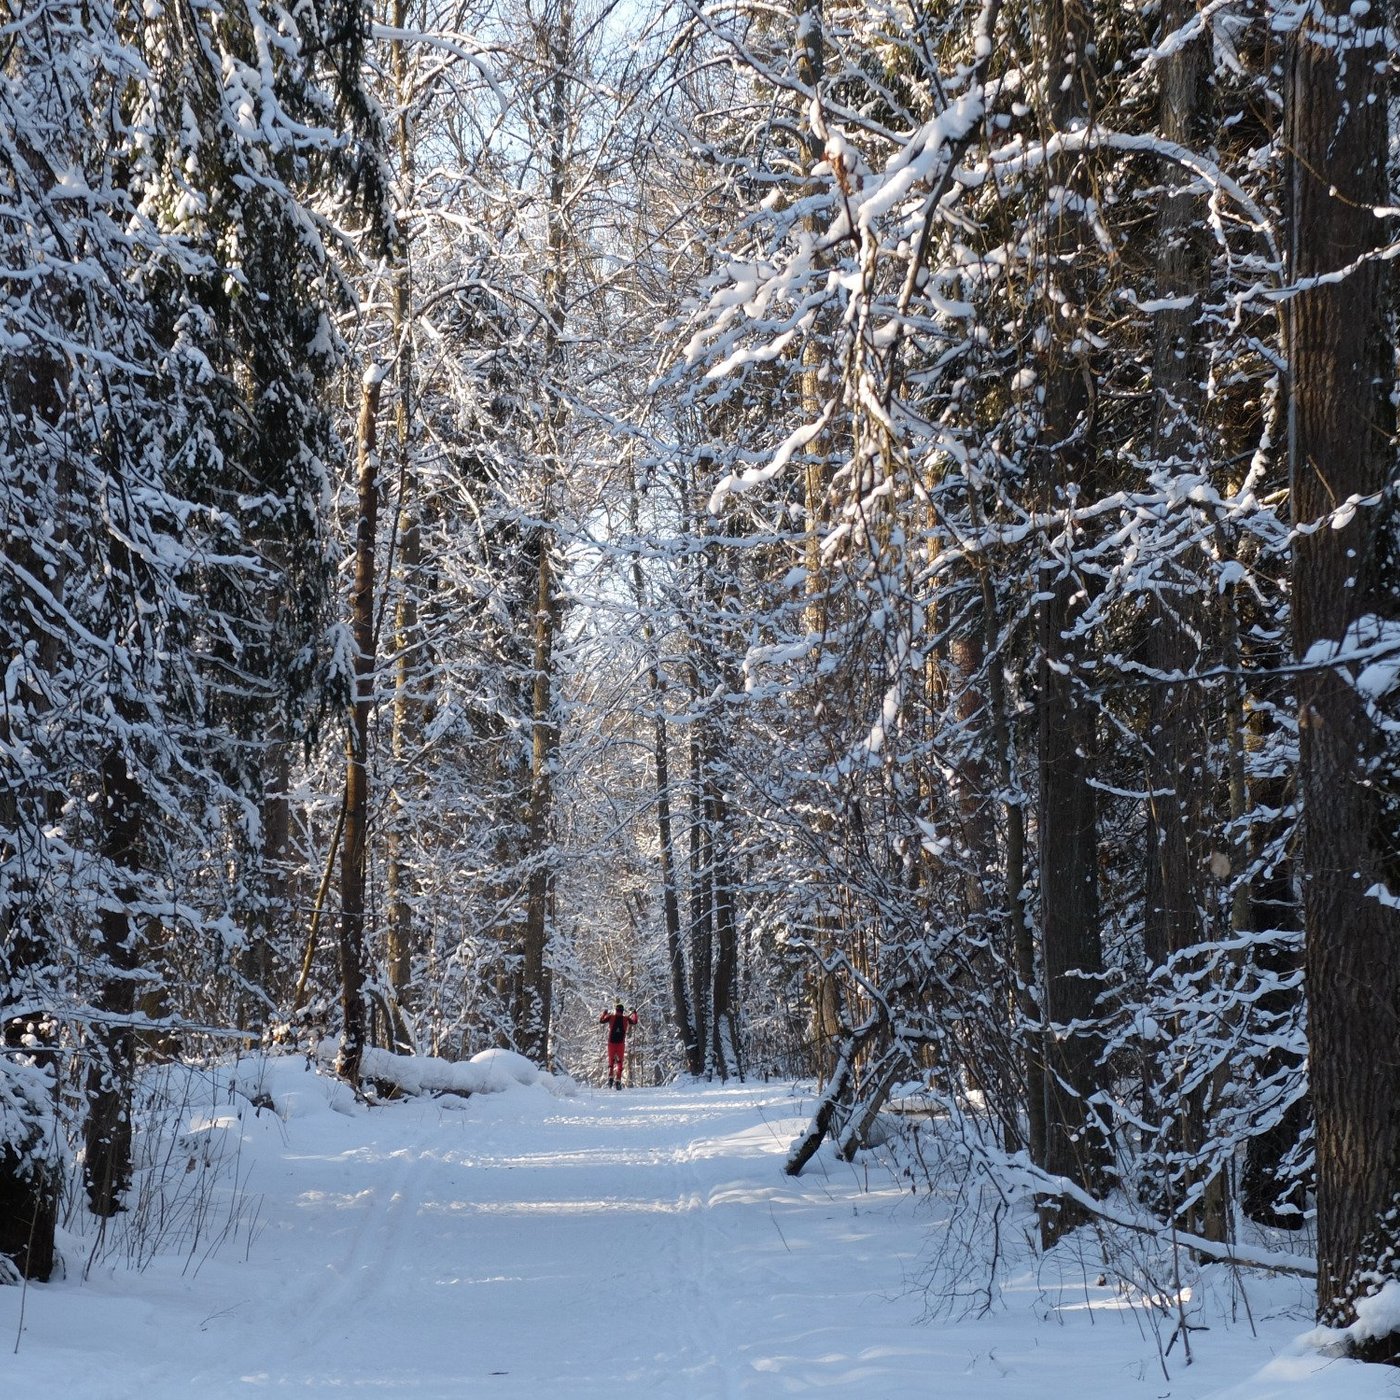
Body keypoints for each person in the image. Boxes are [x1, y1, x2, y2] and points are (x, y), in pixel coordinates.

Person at [599, 1002, 637, 1089]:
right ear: (623, 1011)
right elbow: (635, 1022)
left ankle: (611, 1077)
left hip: (611, 1043)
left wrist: (604, 1014)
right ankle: (618, 1081)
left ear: (616, 1010)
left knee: (611, 1061)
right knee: (620, 1062)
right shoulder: (626, 1018)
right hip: (620, 1044)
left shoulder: (611, 1017)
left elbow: (601, 1021)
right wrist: (635, 1013)